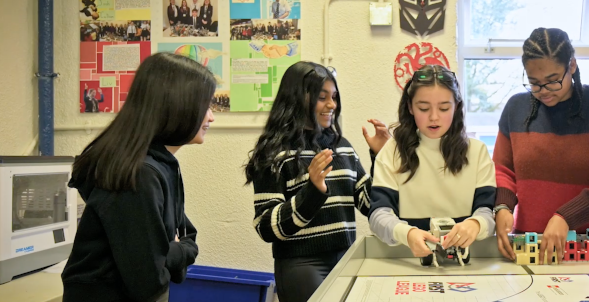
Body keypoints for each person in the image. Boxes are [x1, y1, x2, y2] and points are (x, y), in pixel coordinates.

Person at [62, 53, 216, 302]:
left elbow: (187, 237)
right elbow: (149, 279)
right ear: (177, 105)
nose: (211, 117)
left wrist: (170, 251)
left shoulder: (160, 165)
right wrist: (173, 251)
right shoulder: (140, 175)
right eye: (206, 106)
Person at [493, 28, 589, 264]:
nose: (543, 91)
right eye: (534, 83)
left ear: (572, 65)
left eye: (552, 81)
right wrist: (502, 206)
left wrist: (567, 217)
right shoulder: (516, 108)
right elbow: (502, 169)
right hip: (529, 245)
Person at [244, 61, 388, 302]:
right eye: (322, 98)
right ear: (298, 99)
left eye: (334, 97)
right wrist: (312, 192)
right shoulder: (274, 153)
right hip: (301, 265)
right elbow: (265, 226)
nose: (332, 105)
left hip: (346, 260)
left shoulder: (343, 147)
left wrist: (380, 159)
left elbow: (370, 205)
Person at [369, 65, 497, 260]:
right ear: (410, 107)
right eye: (424, 108)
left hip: (466, 260)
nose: (434, 117)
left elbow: (487, 211)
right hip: (408, 258)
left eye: (444, 108)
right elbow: (379, 215)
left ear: (457, 106)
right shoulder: (392, 151)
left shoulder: (477, 152)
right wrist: (407, 233)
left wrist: (476, 224)